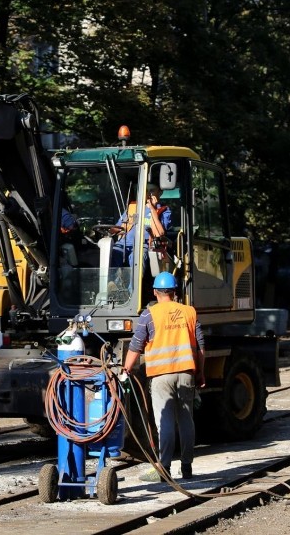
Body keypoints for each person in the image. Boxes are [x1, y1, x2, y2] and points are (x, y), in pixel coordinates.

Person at [121, 272, 205, 482]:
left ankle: (164, 468)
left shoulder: (149, 314)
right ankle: (187, 467)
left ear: (155, 292)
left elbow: (135, 346)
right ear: (175, 292)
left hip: (161, 376)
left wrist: (126, 369)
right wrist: (201, 372)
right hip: (186, 373)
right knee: (186, 420)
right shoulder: (189, 312)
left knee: (164, 422)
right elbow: (201, 347)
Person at [110, 183, 171, 269]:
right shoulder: (134, 207)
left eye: (152, 190)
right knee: (112, 253)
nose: (149, 193)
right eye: (146, 191)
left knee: (136, 258)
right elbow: (118, 227)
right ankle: (112, 282)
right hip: (124, 243)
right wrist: (108, 230)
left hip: (143, 244)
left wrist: (152, 208)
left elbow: (160, 233)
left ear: (160, 193)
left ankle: (133, 283)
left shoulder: (163, 210)